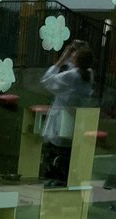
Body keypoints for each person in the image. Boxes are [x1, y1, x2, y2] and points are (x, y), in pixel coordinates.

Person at [40, 39, 94, 186]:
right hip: (75, 125)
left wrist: (62, 58)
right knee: (67, 161)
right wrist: (81, 51)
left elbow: (47, 80)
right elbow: (76, 68)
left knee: (56, 160)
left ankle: (53, 186)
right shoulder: (88, 74)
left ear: (76, 58)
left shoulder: (73, 76)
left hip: (61, 124)